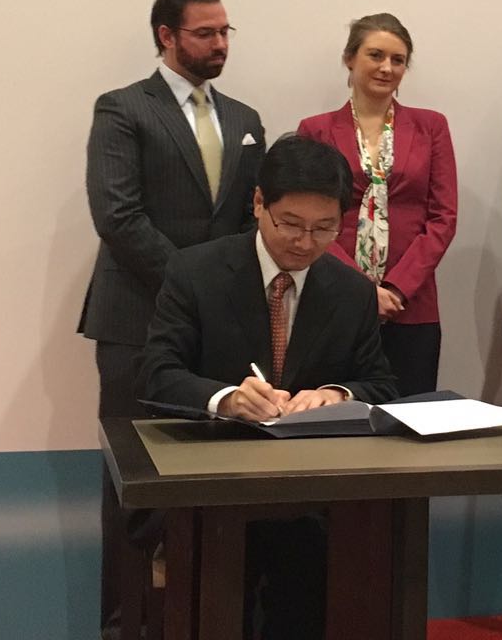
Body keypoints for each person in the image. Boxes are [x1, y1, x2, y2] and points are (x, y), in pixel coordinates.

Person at [140, 135, 397, 639]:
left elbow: (381, 382)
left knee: (322, 589)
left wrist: (337, 395)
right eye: (291, 224)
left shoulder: (351, 291)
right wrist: (227, 399)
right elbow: (156, 374)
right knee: (215, 608)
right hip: (213, 486)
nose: (305, 242)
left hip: (311, 492)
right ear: (259, 203)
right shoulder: (196, 271)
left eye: (324, 228)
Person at [79, 0, 265, 638]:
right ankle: (125, 627)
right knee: (136, 491)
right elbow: (118, 216)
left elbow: (252, 219)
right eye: (204, 33)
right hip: (136, 321)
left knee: (219, 484)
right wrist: (196, 287)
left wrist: (223, 297)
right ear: (166, 36)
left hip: (219, 332)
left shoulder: (244, 118)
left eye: (224, 32)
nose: (220, 45)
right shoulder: (123, 109)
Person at [296, 13, 457, 396]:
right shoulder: (315, 130)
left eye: (398, 60)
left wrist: (397, 289)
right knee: (332, 411)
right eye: (376, 55)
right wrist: (363, 291)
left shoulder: (431, 126)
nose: (387, 67)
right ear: (349, 58)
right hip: (335, 299)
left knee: (409, 413)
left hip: (410, 305)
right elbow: (308, 221)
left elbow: (443, 217)